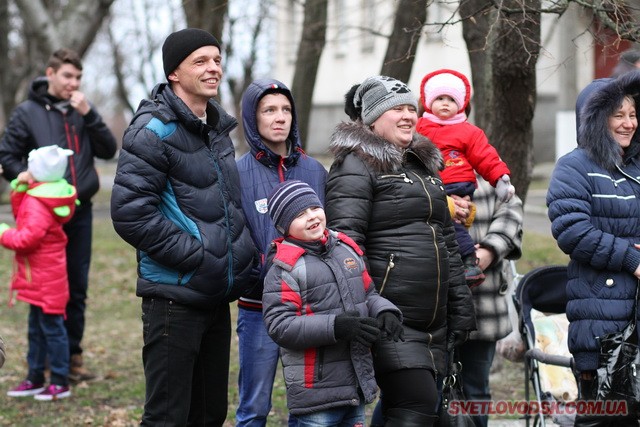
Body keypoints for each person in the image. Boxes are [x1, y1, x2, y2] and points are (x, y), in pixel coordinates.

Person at [110, 28, 257, 425]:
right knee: (167, 417)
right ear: (174, 72)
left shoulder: (216, 129)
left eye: (216, 59)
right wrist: (198, 257)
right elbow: (130, 213)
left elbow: (225, 205)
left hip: (214, 295)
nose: (213, 68)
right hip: (174, 298)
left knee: (209, 414)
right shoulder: (152, 131)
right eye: (200, 61)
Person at [324, 75, 476, 426]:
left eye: (412, 108)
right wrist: (369, 307)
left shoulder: (423, 167)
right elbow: (346, 245)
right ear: (373, 118)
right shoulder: (355, 165)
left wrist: (460, 306)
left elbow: (446, 241)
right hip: (392, 318)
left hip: (434, 322)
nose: (408, 115)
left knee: (406, 408)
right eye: (397, 109)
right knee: (417, 405)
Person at [0, 48, 117, 383]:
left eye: (78, 77)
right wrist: (28, 180)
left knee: (76, 287)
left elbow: (109, 150)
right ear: (49, 74)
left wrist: (90, 114)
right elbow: (7, 156)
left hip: (79, 213)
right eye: (67, 76)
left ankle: (71, 358)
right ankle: (44, 364)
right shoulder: (27, 112)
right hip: (43, 218)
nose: (73, 83)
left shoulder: (82, 111)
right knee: (43, 289)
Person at [262, 180, 403, 427]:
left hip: (355, 382)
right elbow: (280, 325)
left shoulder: (346, 249)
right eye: (299, 214)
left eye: (313, 208)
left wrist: (384, 311)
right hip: (315, 392)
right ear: (285, 227)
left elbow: (368, 293)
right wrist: (334, 326)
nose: (311, 217)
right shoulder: (285, 268)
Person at [547, 71, 640, 426]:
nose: (628, 123)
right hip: (602, 324)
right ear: (595, 118)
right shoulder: (574, 167)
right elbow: (572, 231)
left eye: (633, 114)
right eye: (618, 115)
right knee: (604, 419)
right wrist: (631, 258)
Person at [235, 78, 328, 426]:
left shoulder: (315, 171)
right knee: (254, 407)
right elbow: (234, 237)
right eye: (269, 110)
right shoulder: (237, 173)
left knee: (308, 408)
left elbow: (327, 234)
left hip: (310, 310)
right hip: (259, 308)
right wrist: (260, 270)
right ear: (252, 118)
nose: (279, 117)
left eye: (286, 109)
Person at [416, 69, 515, 288]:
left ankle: (469, 260)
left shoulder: (470, 134)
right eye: (439, 98)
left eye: (451, 99)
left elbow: (486, 157)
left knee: (454, 223)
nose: (444, 104)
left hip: (458, 184)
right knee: (448, 221)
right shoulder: (419, 129)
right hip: (432, 191)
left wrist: (501, 180)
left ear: (461, 105)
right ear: (427, 102)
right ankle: (463, 259)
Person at [1, 145, 77, 401]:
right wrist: (20, 187)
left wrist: (2, 233)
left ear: (38, 172)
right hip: (43, 277)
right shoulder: (45, 194)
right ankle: (35, 377)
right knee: (37, 328)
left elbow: (25, 239)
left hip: (44, 279)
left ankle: (58, 380)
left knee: (52, 330)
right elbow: (20, 212)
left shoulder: (38, 202)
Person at [455, 176, 523, 427]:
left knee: (475, 389)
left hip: (483, 303)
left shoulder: (484, 166)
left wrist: (489, 250)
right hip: (431, 304)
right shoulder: (416, 162)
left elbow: (511, 206)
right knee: (425, 391)